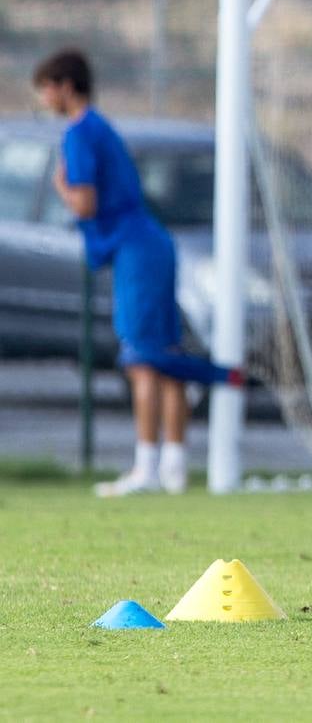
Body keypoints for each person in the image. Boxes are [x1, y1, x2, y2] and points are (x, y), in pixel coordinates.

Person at [35, 49, 243, 497]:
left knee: (142, 360)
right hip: (155, 243)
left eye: (47, 89)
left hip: (135, 251)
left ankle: (146, 466)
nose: (44, 99)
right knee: (164, 359)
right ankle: (173, 467)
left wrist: (62, 191)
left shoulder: (79, 133)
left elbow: (86, 203)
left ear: (66, 87)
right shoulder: (105, 128)